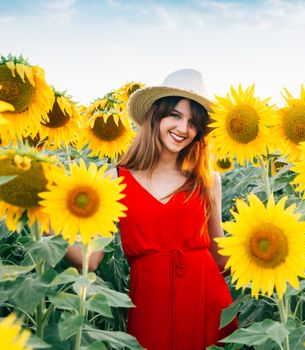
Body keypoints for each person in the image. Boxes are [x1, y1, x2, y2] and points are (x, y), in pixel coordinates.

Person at [65, 69, 237, 349]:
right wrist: (44, 227)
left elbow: (220, 259)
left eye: (193, 123)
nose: (183, 129)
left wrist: (266, 249)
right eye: (176, 116)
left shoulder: (207, 180)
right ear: (156, 116)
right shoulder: (115, 178)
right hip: (149, 305)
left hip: (205, 302)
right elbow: (90, 259)